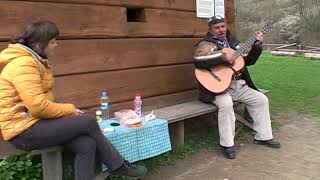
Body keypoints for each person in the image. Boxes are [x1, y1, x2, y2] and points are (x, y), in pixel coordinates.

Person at [0, 20, 147, 179]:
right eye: (53, 42)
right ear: (38, 45)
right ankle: (117, 165)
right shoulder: (24, 65)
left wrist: (67, 114)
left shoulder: (34, 61)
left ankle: (114, 166)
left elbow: (38, 105)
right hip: (23, 131)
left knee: (86, 144)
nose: (56, 45)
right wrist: (69, 110)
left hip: (36, 123)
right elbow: (37, 107)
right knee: (88, 122)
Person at [193, 15, 281, 159]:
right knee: (226, 105)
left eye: (223, 26)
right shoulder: (206, 44)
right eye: (217, 27)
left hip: (237, 84)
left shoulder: (233, 42)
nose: (221, 30)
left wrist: (257, 46)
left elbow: (248, 61)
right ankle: (227, 144)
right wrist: (222, 57)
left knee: (261, 100)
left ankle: (263, 136)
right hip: (217, 87)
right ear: (210, 29)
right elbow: (198, 60)